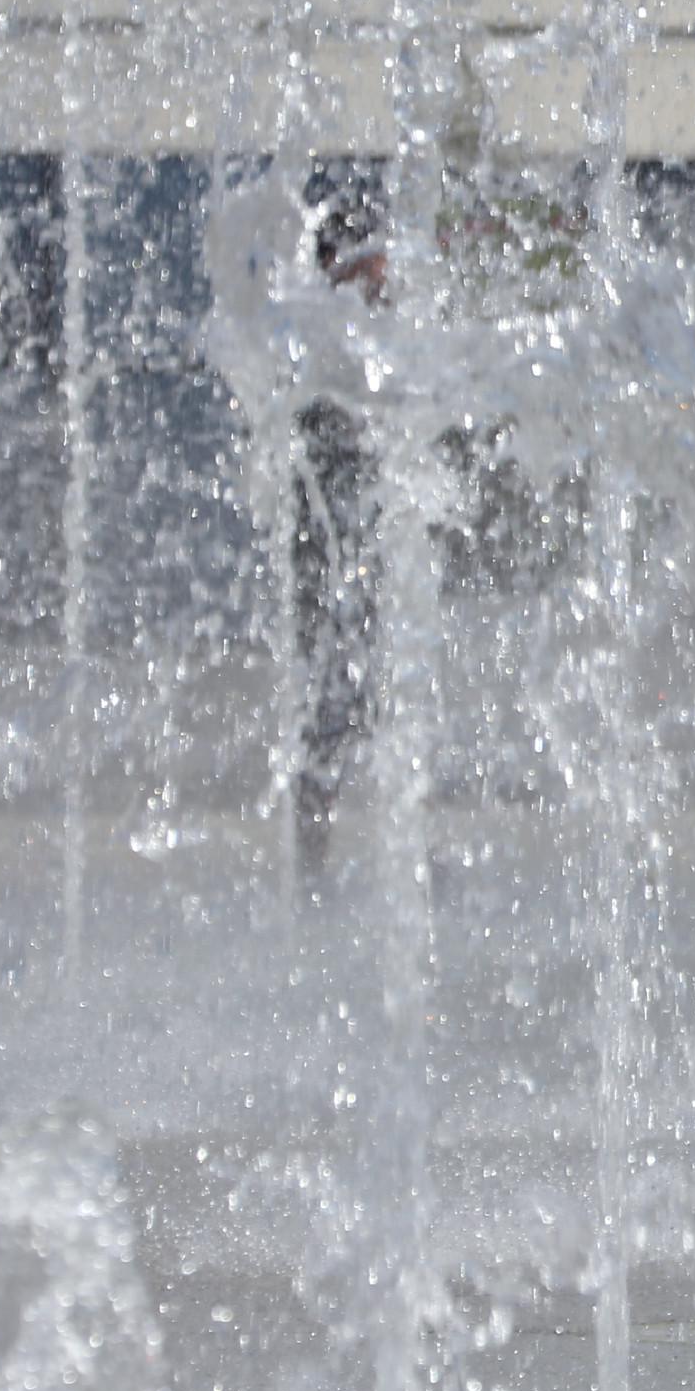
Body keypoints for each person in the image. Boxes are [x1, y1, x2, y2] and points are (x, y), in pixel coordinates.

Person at [291, 180, 389, 883]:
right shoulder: (318, 343)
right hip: (331, 547)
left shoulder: (358, 340)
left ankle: (380, 856)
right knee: (331, 692)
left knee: (365, 692)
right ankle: (312, 859)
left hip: (367, 539)